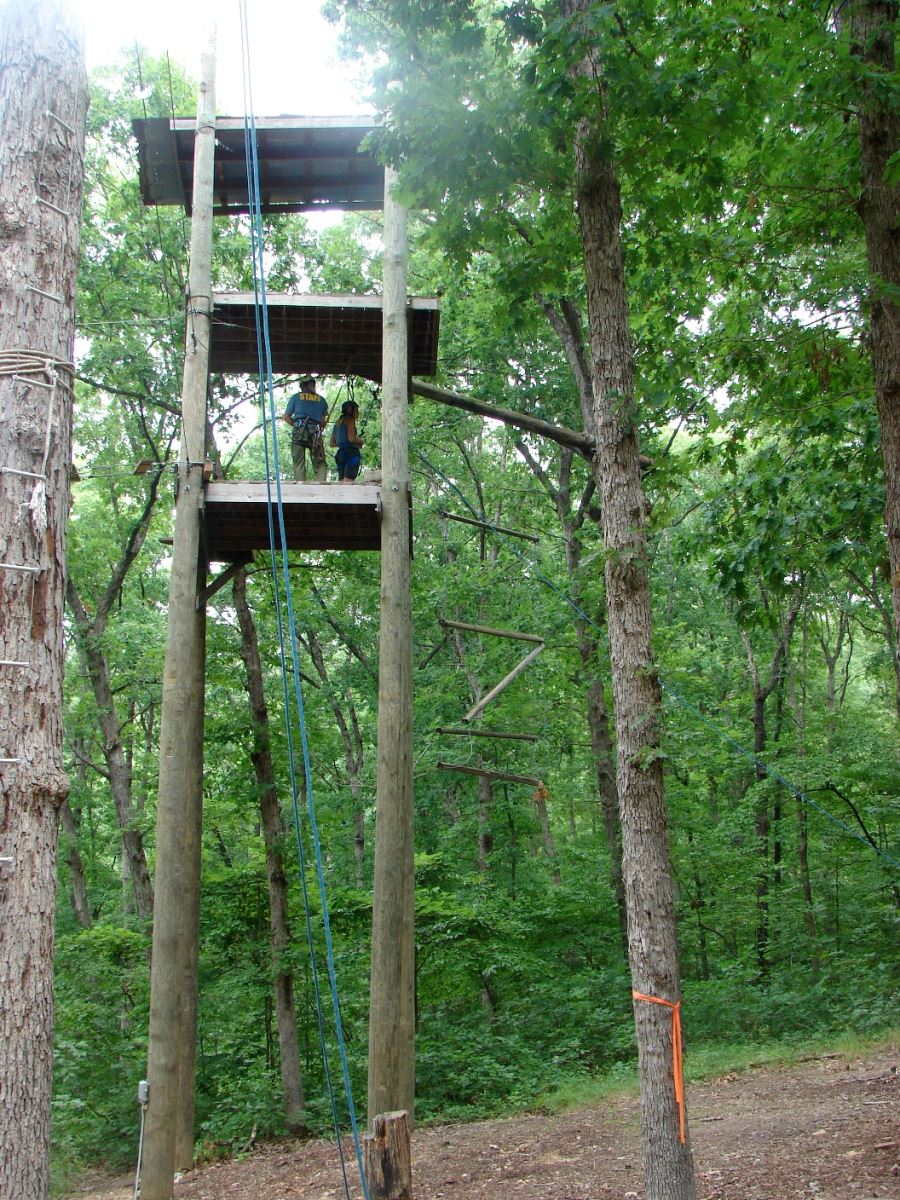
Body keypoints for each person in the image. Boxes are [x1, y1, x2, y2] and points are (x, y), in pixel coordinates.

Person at [283, 375, 328, 481]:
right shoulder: (322, 401)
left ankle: (300, 489)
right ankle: (320, 488)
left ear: (302, 386)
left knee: (299, 463)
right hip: (315, 433)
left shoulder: (296, 397)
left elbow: (286, 416)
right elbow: (322, 422)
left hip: (299, 430)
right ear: (313, 385)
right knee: (320, 463)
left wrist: (295, 425)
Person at [330, 399, 365, 481]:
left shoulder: (338, 422)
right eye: (356, 411)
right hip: (351, 454)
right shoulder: (350, 420)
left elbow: (332, 443)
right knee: (348, 481)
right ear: (350, 410)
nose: (357, 413)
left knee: (341, 480)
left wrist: (343, 443)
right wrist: (360, 441)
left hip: (340, 454)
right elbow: (351, 439)